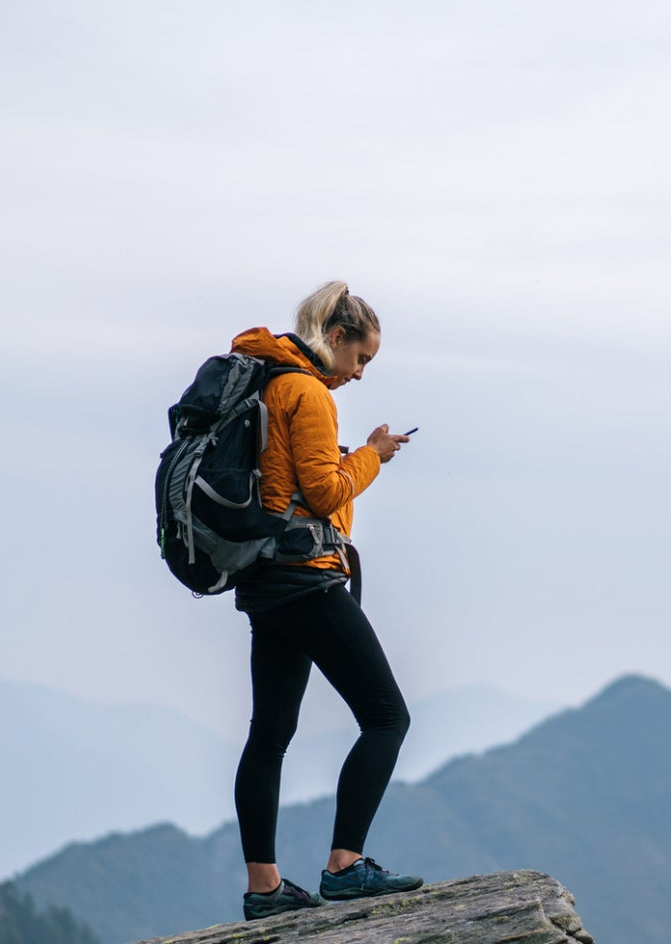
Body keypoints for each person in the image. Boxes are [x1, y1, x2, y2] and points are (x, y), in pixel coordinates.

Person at [226, 281, 422, 922]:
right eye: (360, 358)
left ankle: (265, 888)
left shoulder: (271, 381)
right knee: (388, 717)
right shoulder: (306, 390)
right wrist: (372, 455)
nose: (360, 374)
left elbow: (288, 478)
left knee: (270, 735)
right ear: (335, 338)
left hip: (264, 581)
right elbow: (318, 491)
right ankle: (345, 866)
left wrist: (346, 457)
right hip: (306, 579)